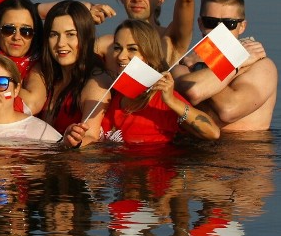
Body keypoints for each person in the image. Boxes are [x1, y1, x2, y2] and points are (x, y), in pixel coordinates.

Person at [62, 19, 220, 147]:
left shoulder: (162, 98)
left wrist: (171, 101)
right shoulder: (111, 96)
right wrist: (74, 141)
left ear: (148, 55)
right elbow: (92, 141)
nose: (121, 56)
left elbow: (213, 133)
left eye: (132, 49)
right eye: (117, 48)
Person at [172, 0, 276, 131]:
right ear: (200, 24)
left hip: (246, 151)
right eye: (211, 22)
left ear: (242, 26)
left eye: (229, 24)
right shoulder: (183, 66)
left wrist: (204, 64)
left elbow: (228, 110)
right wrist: (237, 63)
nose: (219, 31)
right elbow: (195, 91)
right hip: (194, 152)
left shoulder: (262, 67)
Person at [37, 1, 104, 135]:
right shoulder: (45, 75)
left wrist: (74, 143)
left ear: (85, 36)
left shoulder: (97, 81)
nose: (61, 43)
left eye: (70, 34)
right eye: (53, 34)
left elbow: (91, 137)